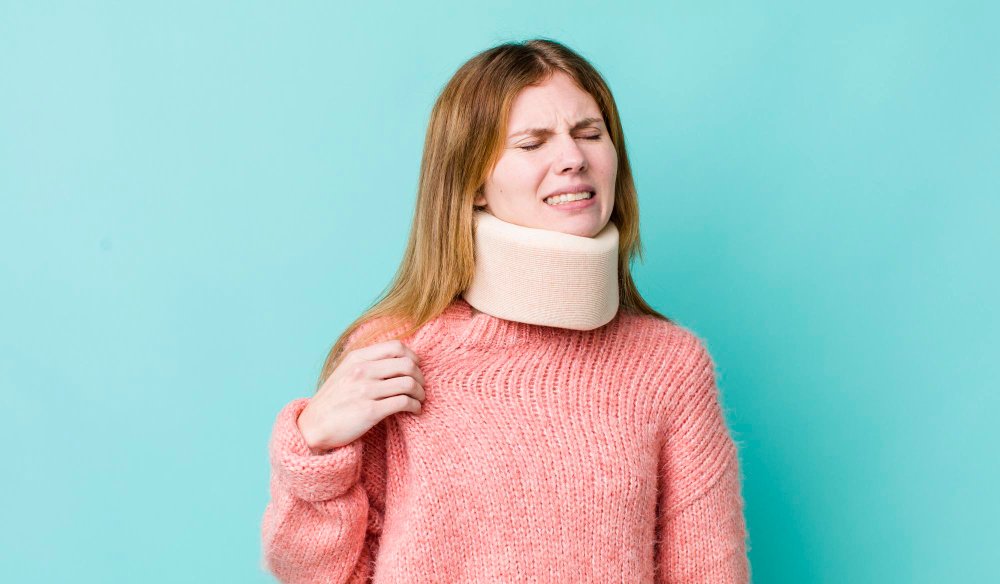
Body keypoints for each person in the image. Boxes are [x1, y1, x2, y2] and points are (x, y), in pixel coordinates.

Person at [260, 38, 751, 583]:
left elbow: (709, 574)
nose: (572, 158)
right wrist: (314, 448)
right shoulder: (395, 353)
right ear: (471, 183)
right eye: (532, 143)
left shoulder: (669, 365)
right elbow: (319, 575)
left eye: (590, 133)